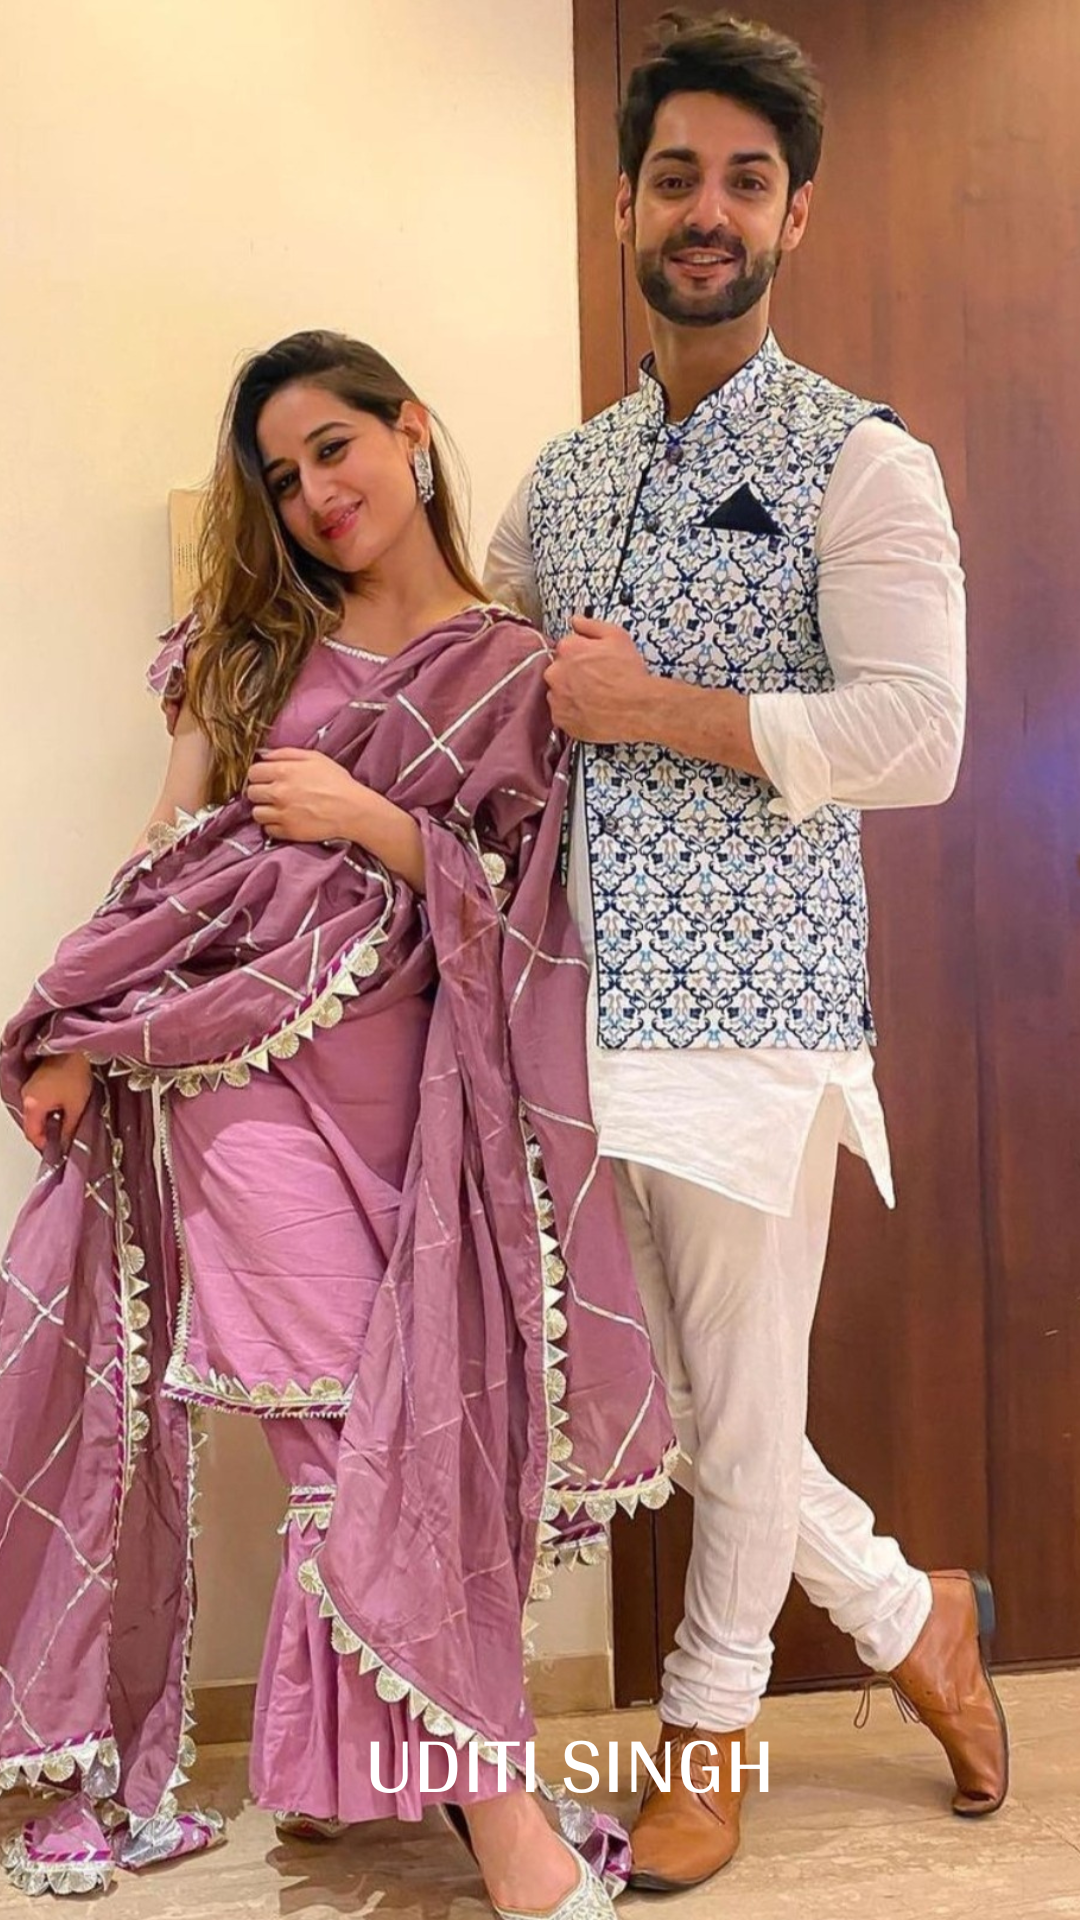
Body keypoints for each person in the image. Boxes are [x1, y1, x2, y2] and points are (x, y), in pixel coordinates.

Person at [0, 330, 675, 1914]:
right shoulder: (244, 649)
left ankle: (353, 1778)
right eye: (283, 475)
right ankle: (502, 1822)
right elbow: (164, 858)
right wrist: (79, 1026)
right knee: (341, 1448)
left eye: (333, 448)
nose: (314, 494)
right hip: (240, 1089)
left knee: (418, 1436)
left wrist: (376, 822)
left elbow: (534, 913)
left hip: (428, 1119)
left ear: (410, 430)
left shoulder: (512, 671)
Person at [485, 9, 1006, 1892]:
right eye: (676, 177)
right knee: (676, 1402)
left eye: (747, 181)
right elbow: (490, 683)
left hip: (755, 1017)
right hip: (569, 1011)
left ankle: (709, 1732)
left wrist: (663, 711)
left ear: (796, 218)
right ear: (624, 207)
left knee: (737, 1398)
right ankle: (910, 1612)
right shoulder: (564, 478)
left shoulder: (864, 460)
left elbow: (919, 735)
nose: (707, 210)